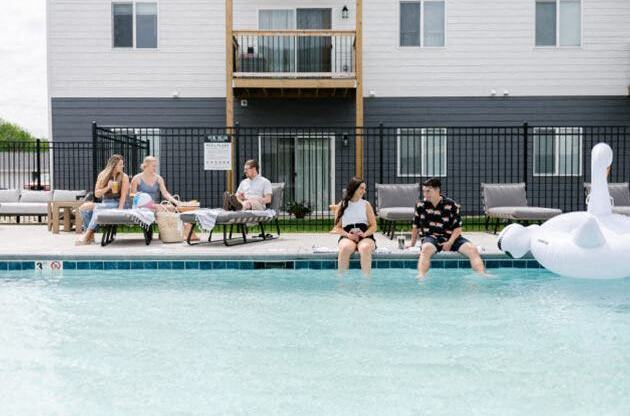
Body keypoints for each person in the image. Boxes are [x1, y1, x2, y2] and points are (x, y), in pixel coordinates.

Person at [407, 178, 486, 278]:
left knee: (472, 249)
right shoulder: (420, 205)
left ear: (437, 190)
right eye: (424, 191)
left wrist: (450, 242)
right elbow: (415, 226)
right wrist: (412, 244)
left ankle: (482, 275)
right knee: (426, 249)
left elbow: (457, 228)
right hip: (431, 237)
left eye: (428, 191)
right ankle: (421, 277)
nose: (425, 194)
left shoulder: (451, 205)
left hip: (451, 237)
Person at [130, 155, 198, 240]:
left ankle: (175, 232)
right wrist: (145, 202)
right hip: (142, 206)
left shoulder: (158, 178)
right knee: (161, 208)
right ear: (146, 166)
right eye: (153, 166)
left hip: (154, 206)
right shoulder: (137, 178)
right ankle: (165, 232)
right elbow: (132, 195)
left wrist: (176, 202)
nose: (155, 168)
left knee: (172, 208)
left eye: (155, 166)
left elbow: (165, 193)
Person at [76, 154, 129, 245]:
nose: (122, 166)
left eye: (122, 164)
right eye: (120, 164)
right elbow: (97, 194)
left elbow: (123, 196)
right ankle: (91, 236)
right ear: (114, 165)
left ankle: (87, 235)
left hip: (119, 202)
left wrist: (120, 210)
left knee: (98, 208)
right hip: (105, 202)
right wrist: (108, 188)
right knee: (84, 208)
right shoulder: (102, 175)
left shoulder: (124, 176)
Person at [332, 177, 377, 275]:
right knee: (344, 249)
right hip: (348, 235)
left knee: (365, 248)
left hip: (365, 235)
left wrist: (364, 234)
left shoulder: (366, 205)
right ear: (354, 188)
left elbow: (374, 226)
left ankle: (366, 282)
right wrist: (348, 235)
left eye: (364, 189)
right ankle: (342, 282)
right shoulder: (342, 205)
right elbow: (337, 227)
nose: (364, 191)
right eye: (361, 188)